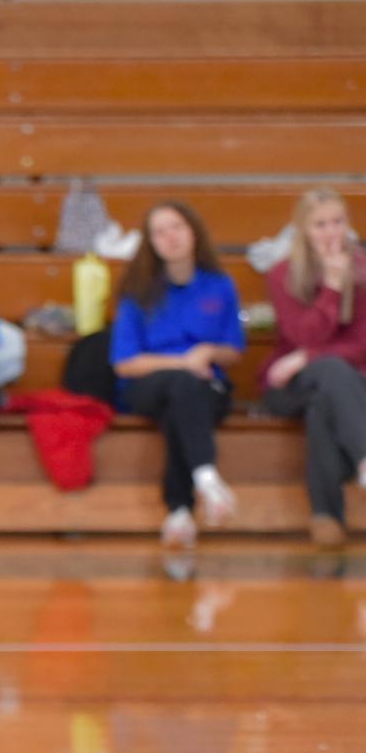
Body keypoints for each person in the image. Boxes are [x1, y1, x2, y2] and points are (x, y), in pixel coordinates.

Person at [108, 202, 244, 548]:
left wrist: (210, 352)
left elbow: (233, 349)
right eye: (159, 231)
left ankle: (180, 512)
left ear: (193, 231)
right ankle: (206, 477)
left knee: (181, 405)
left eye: (177, 227)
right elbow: (124, 363)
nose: (170, 237)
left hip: (205, 386)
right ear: (150, 243)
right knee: (182, 386)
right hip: (147, 385)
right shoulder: (137, 291)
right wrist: (182, 363)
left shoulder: (219, 285)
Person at [262, 188, 366, 547]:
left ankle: (325, 516)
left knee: (327, 396)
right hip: (287, 385)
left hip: (345, 381)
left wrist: (307, 356)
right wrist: (334, 287)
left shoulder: (364, 268)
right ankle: (364, 461)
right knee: (332, 374)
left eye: (338, 222)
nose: (331, 232)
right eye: (320, 224)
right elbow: (303, 333)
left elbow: (362, 344)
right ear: (303, 230)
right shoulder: (282, 275)